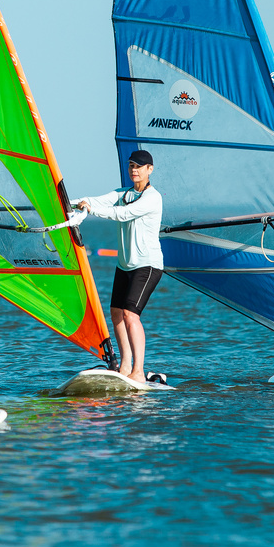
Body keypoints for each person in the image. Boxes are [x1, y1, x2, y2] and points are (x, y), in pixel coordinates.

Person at [77, 149, 164, 382]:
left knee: (130, 314)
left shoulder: (153, 197)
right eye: (131, 165)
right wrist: (68, 203)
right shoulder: (123, 193)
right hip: (125, 265)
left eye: (139, 166)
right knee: (116, 313)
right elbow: (96, 200)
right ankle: (125, 366)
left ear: (149, 169)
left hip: (147, 265)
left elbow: (124, 214)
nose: (134, 170)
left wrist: (91, 209)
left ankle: (138, 371)